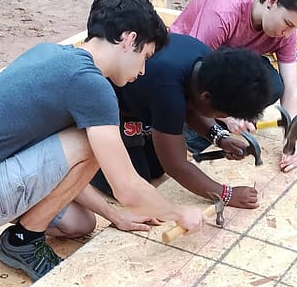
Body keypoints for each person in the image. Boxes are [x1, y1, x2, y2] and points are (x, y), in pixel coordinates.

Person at [0, 0, 205, 280]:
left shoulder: (54, 54)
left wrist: (114, 215)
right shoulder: (90, 85)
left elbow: (62, 166)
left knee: (79, 224)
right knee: (94, 143)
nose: (143, 70)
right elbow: (126, 186)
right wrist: (179, 213)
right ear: (129, 40)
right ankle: (21, 243)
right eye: (145, 57)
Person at [90, 32, 273, 211]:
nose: (222, 119)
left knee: (156, 168)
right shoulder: (168, 92)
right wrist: (226, 194)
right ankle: (88, 164)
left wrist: (220, 138)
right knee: (138, 182)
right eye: (222, 114)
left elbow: (190, 104)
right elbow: (176, 166)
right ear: (206, 97)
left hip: (143, 104)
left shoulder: (206, 62)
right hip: (104, 113)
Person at [171, 0, 297, 172]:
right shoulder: (223, 12)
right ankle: (193, 133)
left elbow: (290, 88)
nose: (289, 33)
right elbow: (192, 75)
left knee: (273, 85)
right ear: (272, 1)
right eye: (287, 24)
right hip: (189, 63)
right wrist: (229, 116)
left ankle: (210, 126)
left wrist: (291, 141)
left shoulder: (287, 31)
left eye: (296, 27)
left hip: (229, 64)